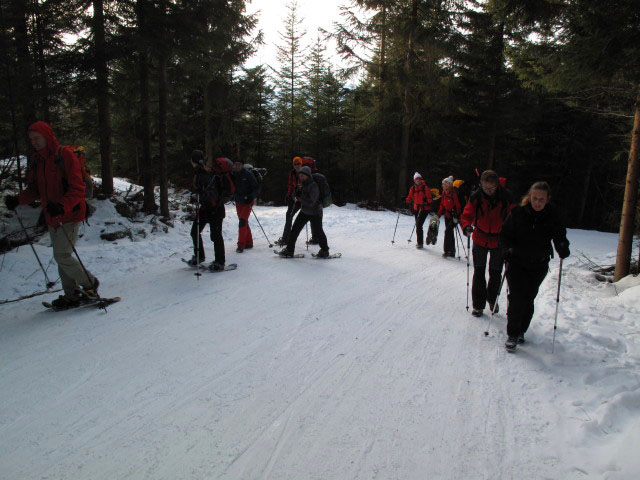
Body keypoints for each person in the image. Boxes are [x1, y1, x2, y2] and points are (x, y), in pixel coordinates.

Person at [4, 121, 99, 309]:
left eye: (37, 138)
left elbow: (78, 188)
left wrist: (62, 206)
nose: (34, 142)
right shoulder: (38, 161)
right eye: (31, 139)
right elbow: (35, 190)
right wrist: (18, 199)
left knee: (62, 255)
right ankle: (71, 294)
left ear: (46, 136)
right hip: (52, 216)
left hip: (70, 213)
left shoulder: (65, 156)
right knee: (60, 255)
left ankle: (90, 283)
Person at [500, 181, 570, 351]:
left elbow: (560, 235)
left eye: (541, 199)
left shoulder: (553, 216)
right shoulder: (518, 213)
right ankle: (513, 334)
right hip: (516, 261)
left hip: (538, 264)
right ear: (529, 197)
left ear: (547, 200)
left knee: (528, 298)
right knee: (517, 297)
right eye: (535, 198)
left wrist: (562, 246)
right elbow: (505, 234)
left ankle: (522, 329)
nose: (537, 202)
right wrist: (506, 248)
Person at [460, 169, 513, 317]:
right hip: (480, 237)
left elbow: (514, 216)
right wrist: (466, 226)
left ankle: (492, 299)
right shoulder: (476, 197)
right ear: (481, 184)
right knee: (479, 271)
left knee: (495, 273)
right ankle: (478, 305)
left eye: (491, 188)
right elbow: (467, 214)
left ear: (497, 185)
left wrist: (512, 233)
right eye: (485, 187)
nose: (488, 191)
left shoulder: (506, 197)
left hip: (498, 240)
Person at [188, 150, 232, 271]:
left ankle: (219, 261)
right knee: (195, 231)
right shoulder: (201, 173)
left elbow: (209, 194)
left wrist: (198, 196)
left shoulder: (205, 174)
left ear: (193, 161)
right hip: (207, 208)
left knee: (215, 235)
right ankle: (200, 256)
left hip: (215, 208)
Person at [278, 166, 329, 258]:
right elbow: (295, 196)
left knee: (319, 232)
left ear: (308, 176)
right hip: (305, 211)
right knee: (294, 230)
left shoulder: (314, 185)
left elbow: (311, 202)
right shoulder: (302, 184)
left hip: (315, 212)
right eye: (300, 176)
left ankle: (325, 250)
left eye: (302, 176)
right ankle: (289, 250)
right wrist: (296, 193)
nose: (301, 178)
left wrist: (300, 198)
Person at [231, 160, 260, 252]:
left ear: (242, 165)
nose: (237, 166)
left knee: (242, 221)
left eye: (239, 164)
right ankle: (249, 242)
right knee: (243, 221)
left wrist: (251, 197)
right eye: (235, 164)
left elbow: (256, 187)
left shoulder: (248, 174)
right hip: (238, 201)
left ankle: (241, 245)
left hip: (247, 201)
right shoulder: (233, 174)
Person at [277, 157, 303, 246]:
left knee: (310, 217)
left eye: (298, 163)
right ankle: (286, 238)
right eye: (295, 164)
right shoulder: (292, 173)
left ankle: (316, 237)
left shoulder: (304, 173)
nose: (296, 165)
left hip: (303, 199)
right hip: (294, 197)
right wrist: (288, 195)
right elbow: (291, 186)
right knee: (289, 215)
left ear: (301, 164)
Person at [405, 172, 433, 249]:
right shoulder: (413, 188)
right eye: (416, 179)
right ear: (414, 180)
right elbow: (409, 198)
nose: (418, 181)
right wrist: (405, 199)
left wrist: (425, 202)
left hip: (424, 209)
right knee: (418, 225)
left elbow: (430, 199)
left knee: (419, 225)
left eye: (419, 179)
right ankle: (419, 242)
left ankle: (420, 243)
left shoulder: (425, 188)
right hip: (416, 209)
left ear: (421, 179)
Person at [437, 176, 462, 257]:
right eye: (442, 184)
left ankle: (446, 251)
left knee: (447, 232)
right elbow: (442, 205)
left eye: (444, 184)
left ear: (449, 185)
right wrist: (438, 214)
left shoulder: (453, 194)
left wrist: (457, 216)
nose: (443, 186)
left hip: (454, 216)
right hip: (447, 215)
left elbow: (458, 206)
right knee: (450, 233)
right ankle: (452, 251)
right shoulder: (444, 193)